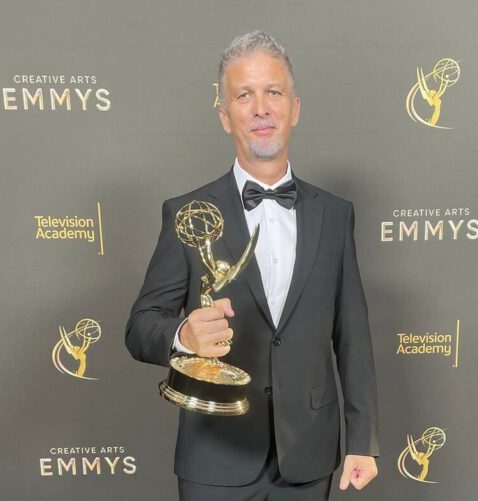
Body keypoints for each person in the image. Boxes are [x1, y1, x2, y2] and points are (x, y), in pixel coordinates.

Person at [125, 31, 379, 500]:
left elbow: (353, 337)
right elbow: (140, 326)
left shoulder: (335, 215)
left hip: (308, 457)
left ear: (294, 108)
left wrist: (362, 440)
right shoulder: (188, 214)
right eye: (244, 95)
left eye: (273, 92)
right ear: (225, 116)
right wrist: (183, 336)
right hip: (214, 456)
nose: (261, 108)